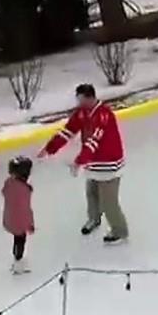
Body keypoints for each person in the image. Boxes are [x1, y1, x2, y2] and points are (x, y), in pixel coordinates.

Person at [40, 83, 128, 244]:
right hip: (92, 162)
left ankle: (119, 231)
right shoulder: (82, 113)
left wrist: (79, 161)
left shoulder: (104, 114)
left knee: (108, 201)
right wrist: (50, 148)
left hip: (108, 164)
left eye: (81, 100)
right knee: (91, 194)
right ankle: (94, 219)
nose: (79, 103)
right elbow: (67, 131)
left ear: (90, 98)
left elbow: (94, 140)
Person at [2, 156, 36, 274]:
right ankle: (18, 261)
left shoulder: (9, 182)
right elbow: (25, 210)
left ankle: (17, 258)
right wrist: (30, 225)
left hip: (9, 218)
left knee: (17, 240)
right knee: (20, 241)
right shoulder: (24, 191)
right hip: (19, 223)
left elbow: (4, 192)